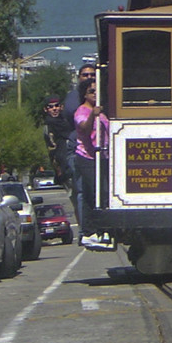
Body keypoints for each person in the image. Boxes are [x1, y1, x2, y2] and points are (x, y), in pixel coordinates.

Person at [73, 78, 111, 250]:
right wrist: (92, 116)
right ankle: (88, 232)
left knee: (103, 193)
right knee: (92, 193)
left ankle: (103, 230)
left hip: (102, 157)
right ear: (84, 94)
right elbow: (84, 129)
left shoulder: (101, 112)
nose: (95, 94)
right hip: (87, 157)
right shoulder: (82, 111)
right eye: (91, 92)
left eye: (97, 91)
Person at [61, 64, 96, 216]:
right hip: (80, 149)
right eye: (85, 75)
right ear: (78, 77)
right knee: (82, 190)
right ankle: (85, 231)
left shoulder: (101, 95)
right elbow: (79, 122)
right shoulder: (75, 101)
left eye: (92, 74)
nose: (89, 77)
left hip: (97, 150)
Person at [43, 96, 72, 185]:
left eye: (56, 106)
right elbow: (52, 149)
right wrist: (58, 169)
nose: (54, 109)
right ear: (46, 109)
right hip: (63, 161)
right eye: (51, 107)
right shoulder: (49, 125)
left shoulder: (65, 120)